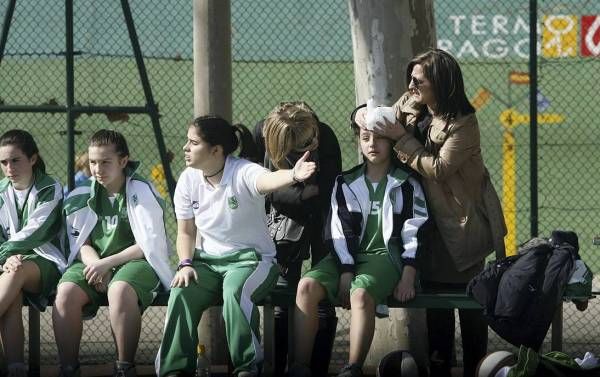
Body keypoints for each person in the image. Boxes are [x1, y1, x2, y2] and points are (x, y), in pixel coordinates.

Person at [369, 48, 507, 377]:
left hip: (460, 222)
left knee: (470, 302)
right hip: (423, 220)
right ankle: (440, 365)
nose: (412, 86)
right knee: (435, 307)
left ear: (441, 83)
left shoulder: (464, 122)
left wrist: (402, 138)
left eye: (419, 81)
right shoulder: (412, 103)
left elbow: (441, 168)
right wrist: (370, 119)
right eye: (411, 79)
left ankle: (478, 368)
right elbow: (379, 117)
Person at [156, 115, 317, 377]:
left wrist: (293, 175)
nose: (185, 147)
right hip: (206, 262)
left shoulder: (242, 171)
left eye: (193, 142)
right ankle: (174, 370)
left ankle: (247, 367)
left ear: (216, 150)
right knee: (180, 292)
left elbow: (267, 181)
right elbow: (185, 232)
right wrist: (185, 263)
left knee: (235, 291)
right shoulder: (187, 180)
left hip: (252, 262)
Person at [289, 106, 429, 377]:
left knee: (360, 295)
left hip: (385, 258)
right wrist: (345, 271)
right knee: (305, 286)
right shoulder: (346, 182)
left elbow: (416, 231)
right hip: (346, 258)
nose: (372, 144)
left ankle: (352, 369)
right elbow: (339, 231)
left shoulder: (407, 183)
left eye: (379, 137)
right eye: (365, 138)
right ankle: (299, 368)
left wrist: (409, 274)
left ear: (391, 141)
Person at [53, 129, 174, 377]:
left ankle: (124, 367)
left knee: (119, 290)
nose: (98, 169)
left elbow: (148, 246)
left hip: (136, 262)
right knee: (65, 293)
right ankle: (68, 368)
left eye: (106, 162)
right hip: (93, 263)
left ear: (123, 161)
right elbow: (80, 243)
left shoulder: (142, 192)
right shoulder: (80, 194)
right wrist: (96, 265)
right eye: (93, 162)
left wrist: (107, 264)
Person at [254, 101, 341, 377]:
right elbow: (263, 187)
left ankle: (314, 368)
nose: (313, 142)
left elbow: (328, 188)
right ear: (282, 145)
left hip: (323, 220)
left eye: (313, 135)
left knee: (323, 298)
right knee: (281, 297)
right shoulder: (263, 135)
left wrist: (298, 190)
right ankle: (277, 367)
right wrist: (301, 191)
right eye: (304, 144)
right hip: (283, 220)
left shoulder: (324, 135)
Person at [0, 129, 67, 377]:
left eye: (15, 160)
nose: (9, 168)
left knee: (15, 272)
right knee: (11, 295)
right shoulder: (0, 190)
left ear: (33, 159)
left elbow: (36, 233)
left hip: (44, 260)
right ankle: (16, 368)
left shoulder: (50, 187)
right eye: (4, 162)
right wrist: (6, 257)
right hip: (8, 263)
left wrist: (8, 255)